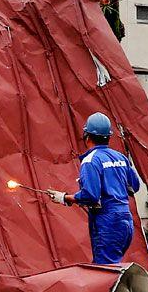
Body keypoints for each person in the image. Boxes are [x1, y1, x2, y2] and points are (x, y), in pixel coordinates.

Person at [47, 112, 141, 265]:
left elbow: (91, 196)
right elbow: (134, 187)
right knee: (113, 266)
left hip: (107, 223)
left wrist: (64, 198)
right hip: (125, 221)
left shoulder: (91, 161)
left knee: (105, 270)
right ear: (108, 136)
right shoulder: (120, 157)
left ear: (87, 136)